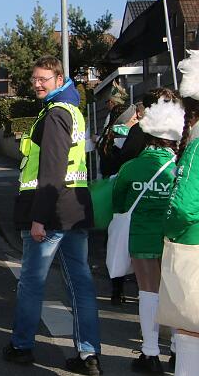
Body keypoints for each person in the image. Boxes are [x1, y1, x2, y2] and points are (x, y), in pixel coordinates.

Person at [2, 55, 102, 375]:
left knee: (32, 282)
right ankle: (89, 355)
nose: (37, 84)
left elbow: (52, 168)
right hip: (75, 209)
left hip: (51, 211)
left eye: (44, 79)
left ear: (60, 80)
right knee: (81, 283)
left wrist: (39, 217)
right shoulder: (72, 110)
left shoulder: (56, 114)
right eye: (34, 79)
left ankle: (21, 346)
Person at [111, 97, 183, 373]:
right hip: (172, 237)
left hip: (141, 237)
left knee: (148, 293)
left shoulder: (132, 167)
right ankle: (178, 351)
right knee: (174, 293)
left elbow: (118, 203)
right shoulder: (180, 167)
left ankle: (150, 353)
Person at [162, 50, 199, 375]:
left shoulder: (197, 147)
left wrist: (169, 229)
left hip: (192, 245)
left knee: (189, 328)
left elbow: (184, 205)